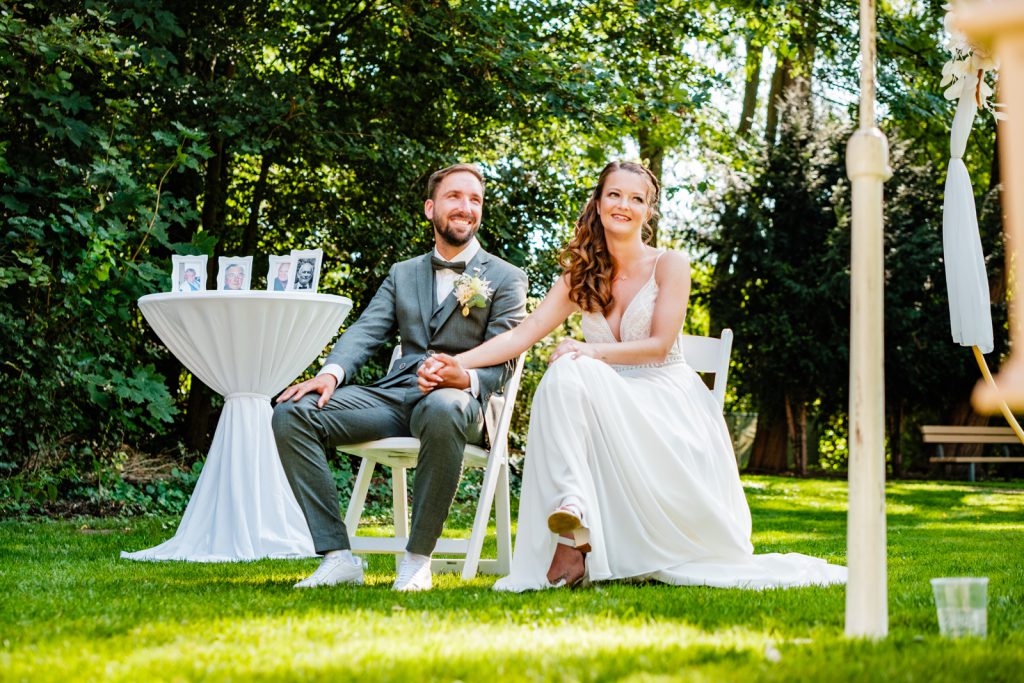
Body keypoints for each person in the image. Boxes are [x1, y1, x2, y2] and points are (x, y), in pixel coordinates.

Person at [419, 161, 847, 591]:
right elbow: (525, 333)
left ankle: (573, 530)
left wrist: (590, 350)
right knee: (565, 371)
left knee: (572, 364)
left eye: (636, 199)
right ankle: (573, 513)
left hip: (668, 404)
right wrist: (462, 364)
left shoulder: (669, 265)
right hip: (610, 408)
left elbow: (660, 344)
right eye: (615, 195)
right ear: (599, 203)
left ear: (648, 212)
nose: (624, 205)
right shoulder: (580, 274)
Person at [272, 163, 528, 592]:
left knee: (443, 408)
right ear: (430, 208)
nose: (466, 207)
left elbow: (505, 360)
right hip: (393, 398)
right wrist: (331, 374)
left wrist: (461, 378)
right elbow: (366, 330)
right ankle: (337, 557)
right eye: (454, 197)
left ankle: (417, 560)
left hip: (460, 404)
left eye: (475, 200)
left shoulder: (506, 277)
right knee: (292, 412)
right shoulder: (402, 273)